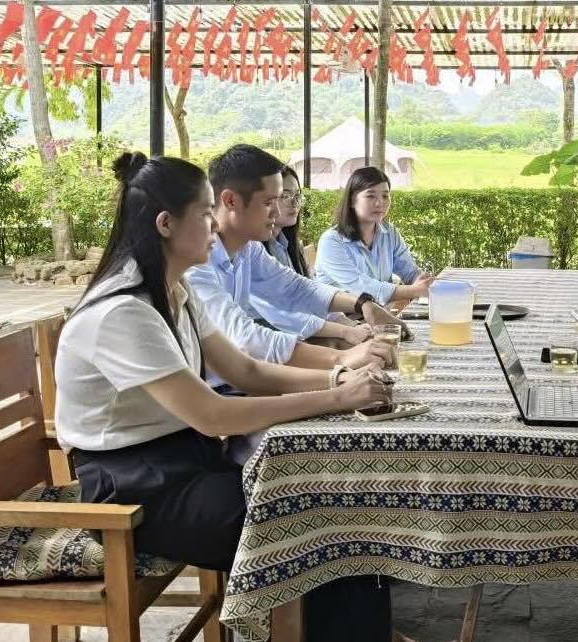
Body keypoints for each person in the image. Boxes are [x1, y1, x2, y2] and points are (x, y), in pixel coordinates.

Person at [54, 152, 394, 641]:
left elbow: (247, 370)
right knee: (324, 528)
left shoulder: (175, 291)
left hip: (185, 462)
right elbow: (212, 414)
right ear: (166, 224)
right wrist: (337, 396)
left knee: (333, 510)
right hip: (135, 487)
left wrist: (338, 379)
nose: (216, 223)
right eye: (206, 211)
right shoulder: (123, 312)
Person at [185, 144, 407, 386]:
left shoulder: (248, 249)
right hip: (219, 393)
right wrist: (341, 357)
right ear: (230, 201)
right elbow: (246, 339)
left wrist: (363, 303)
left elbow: (294, 289)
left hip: (248, 380)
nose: (277, 210)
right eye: (270, 201)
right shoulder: (195, 262)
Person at [252, 165, 373, 347]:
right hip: (282, 346)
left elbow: (309, 293)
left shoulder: (288, 246)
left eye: (297, 196)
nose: (294, 203)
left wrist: (350, 322)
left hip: (303, 340)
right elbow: (281, 315)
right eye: (284, 196)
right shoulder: (252, 252)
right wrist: (346, 328)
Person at [315, 167, 434, 306]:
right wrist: (415, 290)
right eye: (370, 196)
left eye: (385, 196)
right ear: (352, 200)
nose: (380, 203)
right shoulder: (331, 241)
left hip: (381, 320)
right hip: (341, 323)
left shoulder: (389, 233)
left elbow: (409, 272)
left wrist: (421, 280)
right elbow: (362, 288)